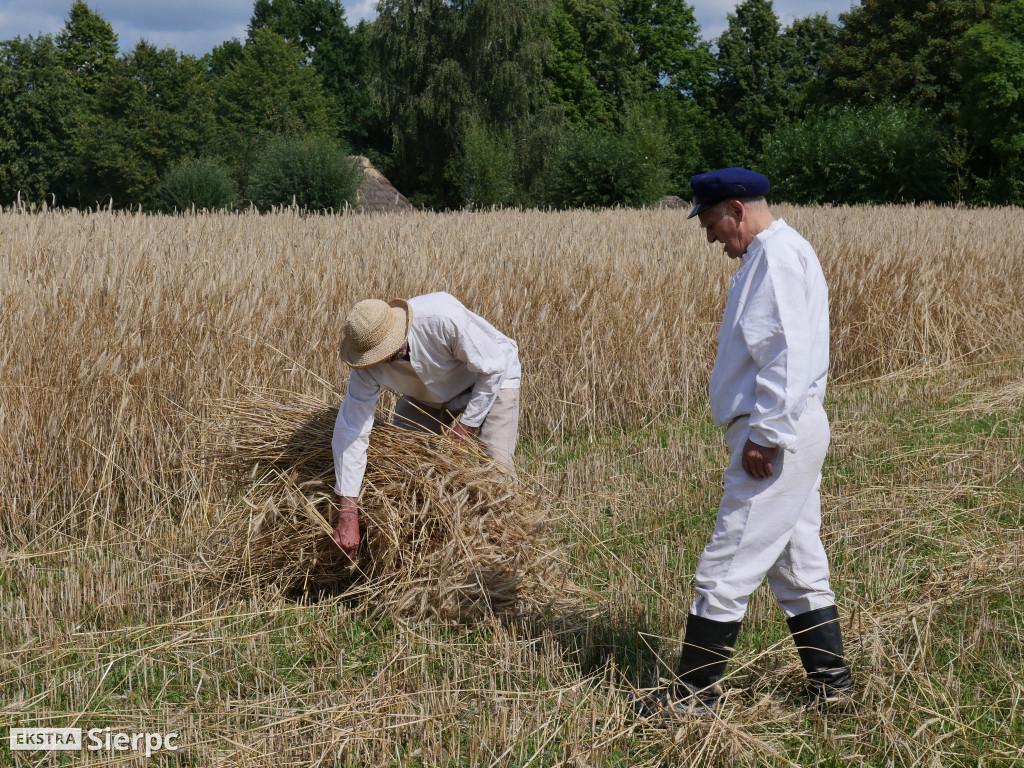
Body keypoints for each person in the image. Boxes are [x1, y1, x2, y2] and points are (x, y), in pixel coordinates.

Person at [634, 167, 853, 718]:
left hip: (775, 431)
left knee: (726, 564)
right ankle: (833, 689)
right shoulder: (779, 252)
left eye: (711, 222)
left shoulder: (775, 257)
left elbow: (783, 352)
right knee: (799, 566)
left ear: (735, 209)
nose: (709, 236)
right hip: (788, 427)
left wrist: (766, 434)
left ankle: (693, 698)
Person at [331, 292, 521, 559]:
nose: (377, 362)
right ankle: (427, 548)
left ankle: (507, 555)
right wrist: (348, 511)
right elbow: (352, 431)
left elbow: (492, 368)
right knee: (402, 466)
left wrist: (466, 427)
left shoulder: (441, 318)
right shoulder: (365, 363)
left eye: (383, 353)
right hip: (426, 396)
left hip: (491, 378)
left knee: (495, 468)